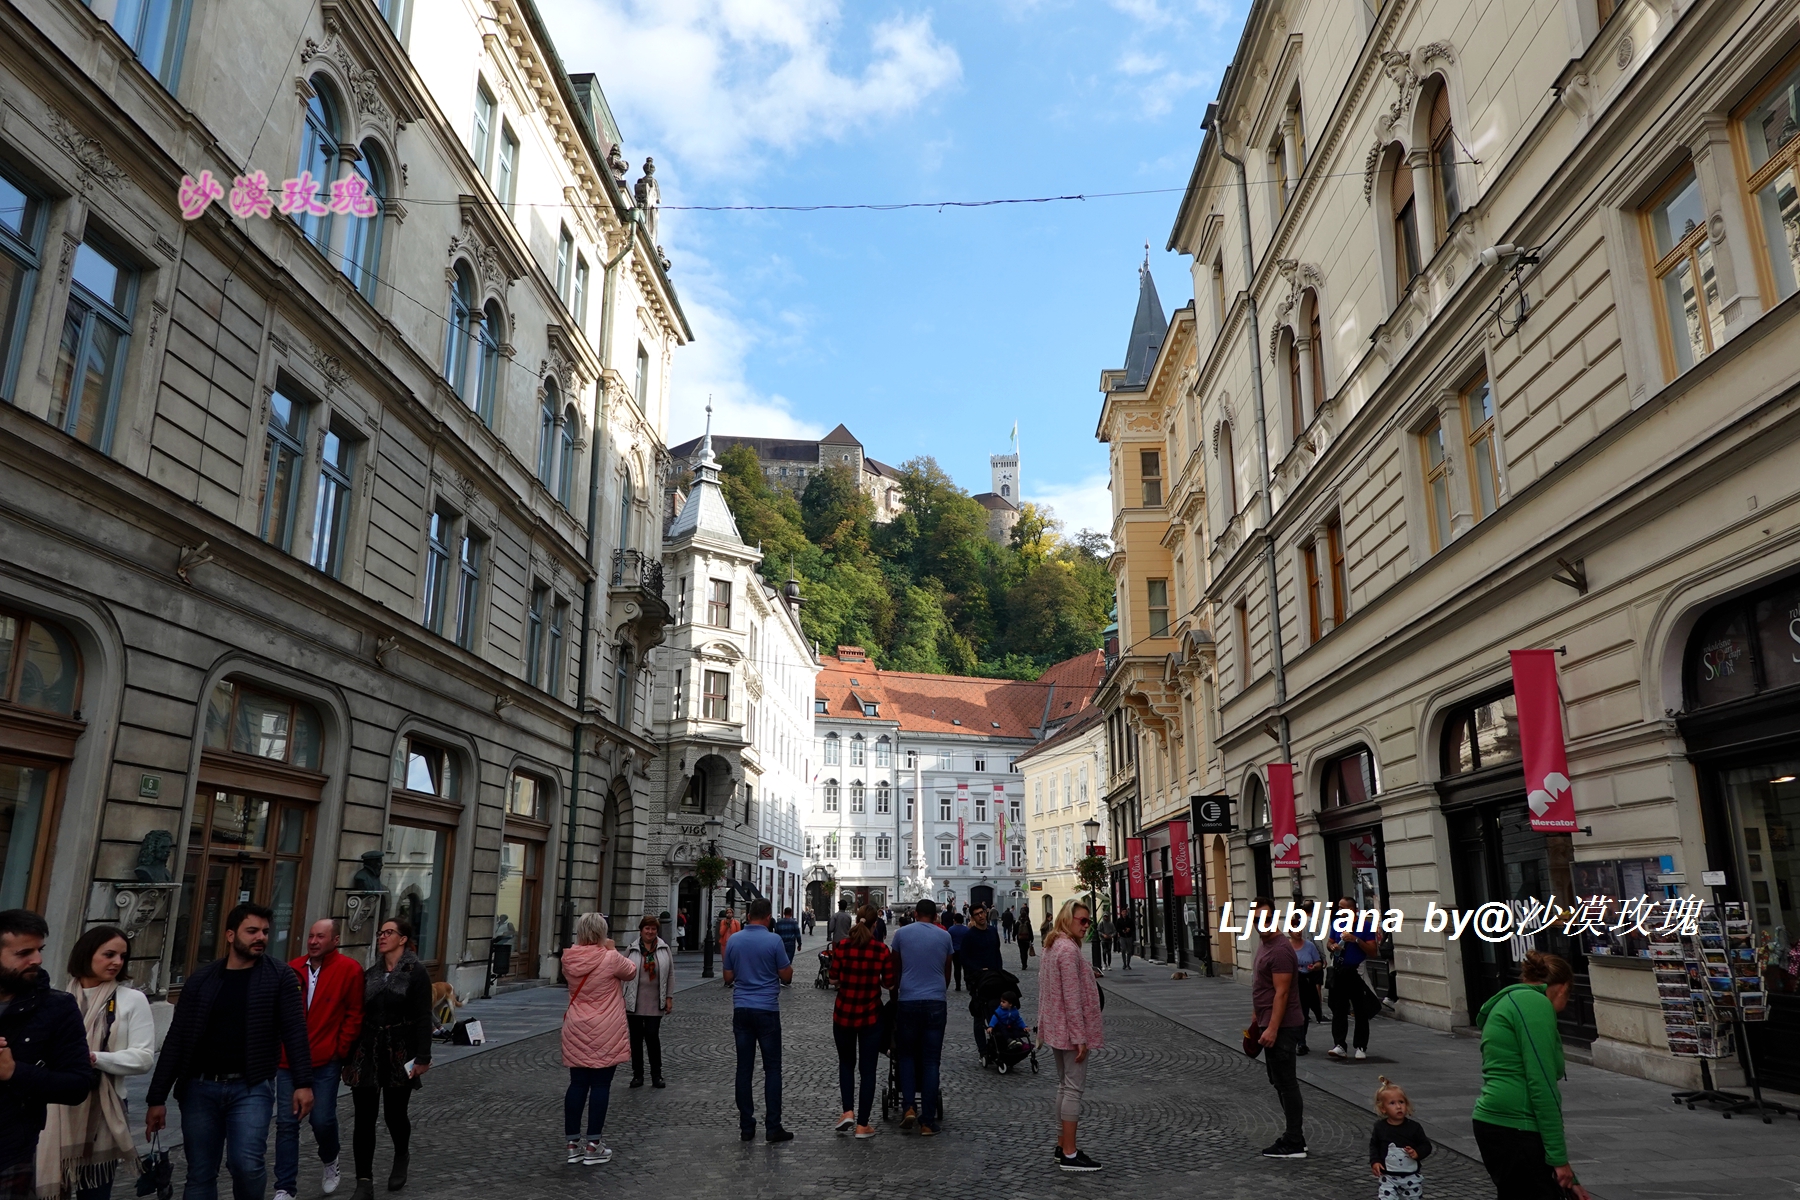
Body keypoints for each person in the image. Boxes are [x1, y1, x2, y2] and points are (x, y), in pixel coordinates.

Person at [145, 903, 312, 1200]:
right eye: (252, 931)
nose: (260, 937)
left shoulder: (280, 977)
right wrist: (157, 1097)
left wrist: (302, 1083)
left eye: (264, 932)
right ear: (231, 935)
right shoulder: (202, 979)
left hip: (250, 1086)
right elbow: (177, 1038)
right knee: (200, 1172)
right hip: (199, 1087)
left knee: (246, 1164)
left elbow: (295, 1031)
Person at [1471, 951, 1590, 1200]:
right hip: (1516, 1125)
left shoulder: (1512, 1000)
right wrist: (1559, 1161)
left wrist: (1569, 1177)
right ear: (1564, 987)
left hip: (1500, 1123)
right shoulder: (1535, 1005)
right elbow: (1542, 1083)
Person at [6, 915, 103, 1200]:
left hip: (11, 1150)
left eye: (40, 950)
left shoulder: (57, 1007)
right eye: (24, 953)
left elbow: (77, 1085)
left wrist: (15, 1072)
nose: (36, 959)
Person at [342, 918, 432, 1198]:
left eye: (388, 932)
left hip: (399, 1051)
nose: (382, 937)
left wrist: (423, 1056)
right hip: (367, 1050)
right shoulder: (370, 973)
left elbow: (422, 1017)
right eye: (380, 932)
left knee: (395, 1114)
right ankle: (364, 1180)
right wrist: (347, 1053)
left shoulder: (415, 973)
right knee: (364, 1118)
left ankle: (401, 1155)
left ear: (403, 939)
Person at [275, 918, 364, 1200]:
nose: (313, 941)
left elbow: (354, 1013)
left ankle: (330, 1159)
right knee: (287, 1124)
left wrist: (340, 1048)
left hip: (326, 1059)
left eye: (320, 937)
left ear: (335, 940)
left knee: (322, 1119)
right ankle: (285, 1187)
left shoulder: (349, 970)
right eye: (311, 936)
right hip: (289, 1060)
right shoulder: (292, 968)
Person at [560, 913, 636, 1166]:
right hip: (606, 1026)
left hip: (576, 1024)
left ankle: (572, 1144)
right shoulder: (611, 957)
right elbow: (631, 972)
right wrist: (612, 949)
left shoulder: (569, 957)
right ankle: (593, 1145)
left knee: (577, 1083)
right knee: (601, 1085)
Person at [1038, 899, 1104, 1173]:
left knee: (1064, 1087)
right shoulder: (1067, 951)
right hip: (1069, 1031)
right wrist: (1080, 1037)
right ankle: (1069, 1152)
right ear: (1068, 919)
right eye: (1083, 921)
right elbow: (1072, 998)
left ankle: (1061, 1145)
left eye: (1089, 921)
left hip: (1056, 1027)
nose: (1087, 926)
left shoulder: (1053, 946)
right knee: (1073, 1090)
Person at [721, 899, 794, 1143]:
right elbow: (786, 976)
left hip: (742, 1008)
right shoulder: (773, 940)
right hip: (767, 1009)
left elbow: (728, 976)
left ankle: (746, 1126)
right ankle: (773, 1127)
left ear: (749, 915)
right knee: (772, 1069)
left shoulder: (734, 940)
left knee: (744, 1069)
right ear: (767, 917)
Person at [827, 906, 895, 1139]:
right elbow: (888, 984)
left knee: (846, 1064)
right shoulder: (881, 950)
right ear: (876, 925)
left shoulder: (843, 947)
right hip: (870, 1016)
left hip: (844, 1013)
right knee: (868, 1070)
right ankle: (863, 1125)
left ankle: (847, 1112)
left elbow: (833, 977)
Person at [888, 899, 952, 1136]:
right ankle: (927, 1122)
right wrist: (938, 990)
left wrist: (896, 995)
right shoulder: (944, 937)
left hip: (908, 1001)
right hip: (935, 1001)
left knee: (906, 1057)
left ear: (915, 914)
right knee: (931, 1060)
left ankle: (908, 1108)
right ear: (935, 916)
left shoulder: (901, 935)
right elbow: (948, 971)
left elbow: (895, 968)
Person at [1250, 896, 1307, 1160]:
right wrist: (1256, 1020)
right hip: (1268, 1022)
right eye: (1257, 917)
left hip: (1283, 1026)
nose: (1261, 923)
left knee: (1286, 1082)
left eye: (1266, 917)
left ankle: (1294, 1140)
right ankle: (1294, 1138)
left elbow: (1282, 994)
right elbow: (1264, 988)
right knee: (1278, 1080)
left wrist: (1271, 1028)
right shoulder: (1265, 945)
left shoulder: (1281, 950)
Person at [624, 916, 673, 1090]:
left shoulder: (663, 949)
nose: (650, 932)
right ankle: (637, 1075)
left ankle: (656, 1074)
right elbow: (623, 973)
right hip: (634, 1001)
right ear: (641, 930)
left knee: (652, 1036)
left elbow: (670, 975)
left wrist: (669, 997)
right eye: (647, 929)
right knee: (636, 1040)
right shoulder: (632, 949)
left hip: (655, 1000)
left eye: (653, 929)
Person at [1327, 897, 1379, 1060]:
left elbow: (1372, 951)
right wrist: (1333, 946)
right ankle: (1340, 1044)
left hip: (1356, 971)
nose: (1339, 911)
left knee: (1360, 1010)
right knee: (1339, 1009)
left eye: (1342, 908)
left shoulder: (1365, 925)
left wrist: (1355, 940)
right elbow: (1329, 942)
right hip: (1340, 970)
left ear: (1352, 910)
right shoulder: (1337, 924)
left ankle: (1361, 1046)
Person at [1369, 1077, 1432, 1200]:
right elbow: (1374, 1145)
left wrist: (1417, 1152)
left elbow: (1426, 1145)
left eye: (1401, 1102)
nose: (1398, 1107)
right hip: (1388, 1176)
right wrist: (1375, 1161)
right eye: (1392, 1103)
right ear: (1383, 1108)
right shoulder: (1380, 1127)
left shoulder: (1414, 1127)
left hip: (1410, 1177)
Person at [959, 906, 1005, 1058]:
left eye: (982, 913)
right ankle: (983, 1051)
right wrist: (978, 970)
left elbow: (997, 952)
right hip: (978, 980)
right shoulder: (969, 935)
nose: (981, 916)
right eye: (977, 914)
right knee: (979, 1015)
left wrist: (999, 971)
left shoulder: (992, 931)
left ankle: (998, 1045)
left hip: (995, 978)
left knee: (997, 1011)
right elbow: (964, 958)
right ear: (972, 917)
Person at [1290, 929, 1325, 1055]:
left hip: (1306, 983)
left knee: (1304, 1013)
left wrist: (1315, 966)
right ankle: (1296, 1040)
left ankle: (1302, 1042)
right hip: (1292, 984)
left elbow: (1318, 962)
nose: (1298, 932)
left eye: (1300, 929)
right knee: (1294, 1013)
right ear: (1289, 931)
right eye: (1294, 930)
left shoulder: (1309, 945)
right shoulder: (1287, 947)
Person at [946, 911, 968, 993]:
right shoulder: (966, 929)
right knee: (966, 968)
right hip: (964, 951)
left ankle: (958, 985)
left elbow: (949, 940)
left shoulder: (951, 929)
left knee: (957, 968)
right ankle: (968, 984)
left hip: (955, 951)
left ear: (955, 920)